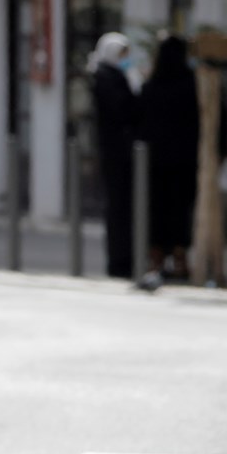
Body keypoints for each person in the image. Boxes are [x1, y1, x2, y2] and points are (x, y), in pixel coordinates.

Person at [137, 34, 199, 281]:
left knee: (157, 211)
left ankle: (156, 260)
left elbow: (138, 122)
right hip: (185, 160)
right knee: (181, 210)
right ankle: (181, 259)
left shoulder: (152, 86)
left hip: (154, 161)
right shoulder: (191, 85)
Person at [89, 32, 141, 279]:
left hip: (125, 152)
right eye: (121, 55)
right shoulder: (104, 77)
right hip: (114, 153)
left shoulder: (115, 75)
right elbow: (122, 110)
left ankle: (127, 259)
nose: (125, 60)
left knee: (126, 209)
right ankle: (119, 261)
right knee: (118, 209)